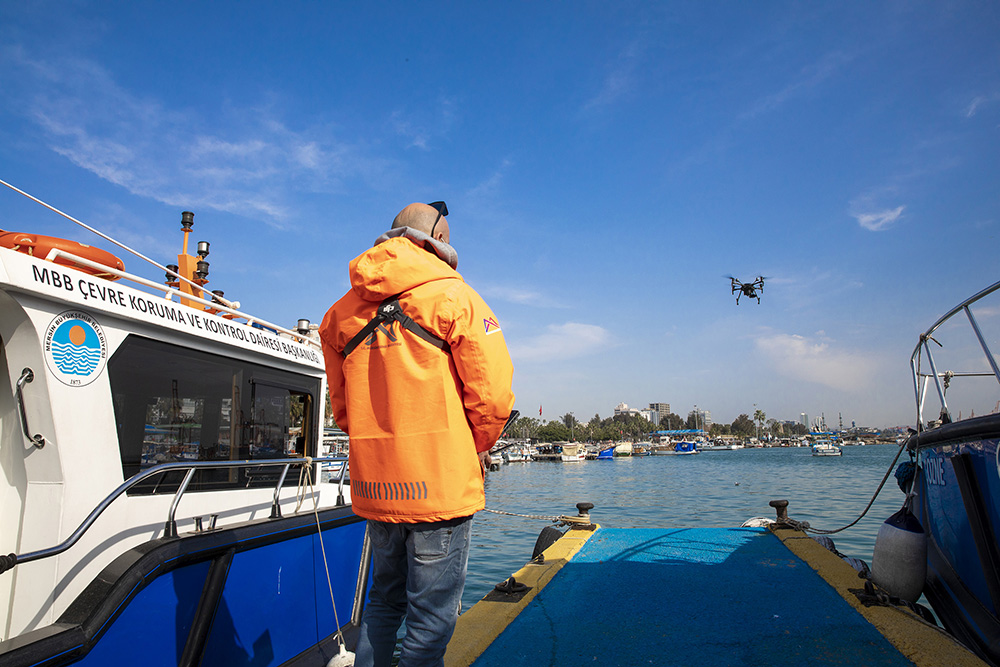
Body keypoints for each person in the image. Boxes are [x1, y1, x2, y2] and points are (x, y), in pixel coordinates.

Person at [319, 201, 515, 667]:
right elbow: (492, 396)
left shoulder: (339, 315)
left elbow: (343, 409)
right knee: (432, 617)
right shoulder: (455, 296)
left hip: (377, 488)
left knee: (383, 603)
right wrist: (479, 446)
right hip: (439, 486)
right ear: (438, 240)